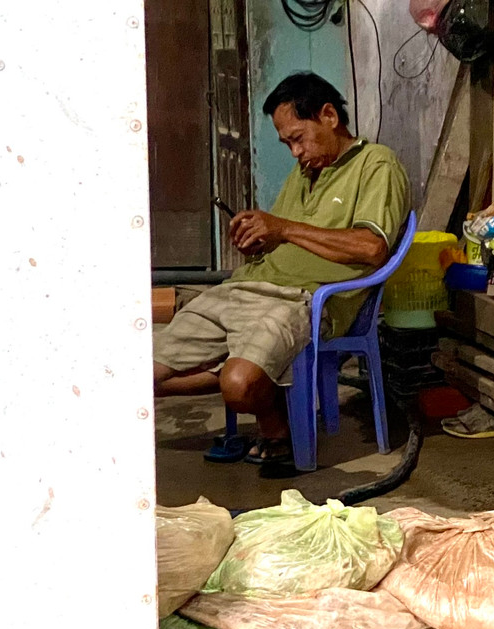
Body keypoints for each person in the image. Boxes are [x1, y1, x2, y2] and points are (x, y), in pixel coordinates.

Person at [153, 72, 410, 474]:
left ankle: (275, 426)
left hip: (302, 300)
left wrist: (284, 228)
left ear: (328, 116)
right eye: (287, 142)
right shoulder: (305, 172)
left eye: (298, 137)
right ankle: (251, 378)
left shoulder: (376, 164)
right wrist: (260, 237)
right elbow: (287, 236)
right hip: (243, 289)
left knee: (238, 385)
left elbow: (371, 247)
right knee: (138, 375)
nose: (294, 152)